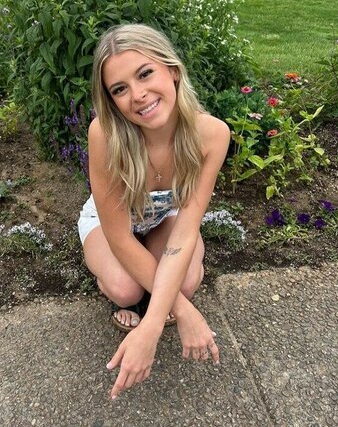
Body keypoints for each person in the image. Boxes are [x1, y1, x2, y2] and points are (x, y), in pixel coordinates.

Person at [78, 24, 230, 399]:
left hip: (165, 217)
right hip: (112, 224)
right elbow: (118, 237)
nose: (138, 95)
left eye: (145, 73)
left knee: (188, 281)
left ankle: (155, 295)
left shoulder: (212, 135)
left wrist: (153, 324)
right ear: (111, 100)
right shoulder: (105, 135)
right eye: (119, 89)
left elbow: (186, 230)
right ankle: (134, 294)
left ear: (172, 70)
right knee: (125, 289)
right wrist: (176, 315)